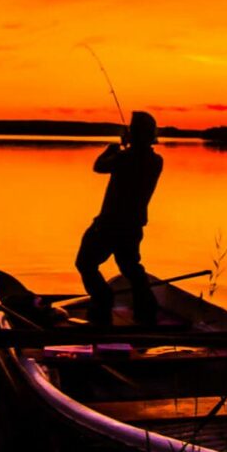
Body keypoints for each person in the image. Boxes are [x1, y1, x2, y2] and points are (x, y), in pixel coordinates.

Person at [75, 111, 163, 326]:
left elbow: (99, 166)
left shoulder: (124, 157)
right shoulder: (156, 161)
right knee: (131, 267)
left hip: (109, 224)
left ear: (135, 135)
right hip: (133, 226)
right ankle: (146, 310)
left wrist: (111, 149)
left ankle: (103, 300)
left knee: (85, 263)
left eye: (132, 131)